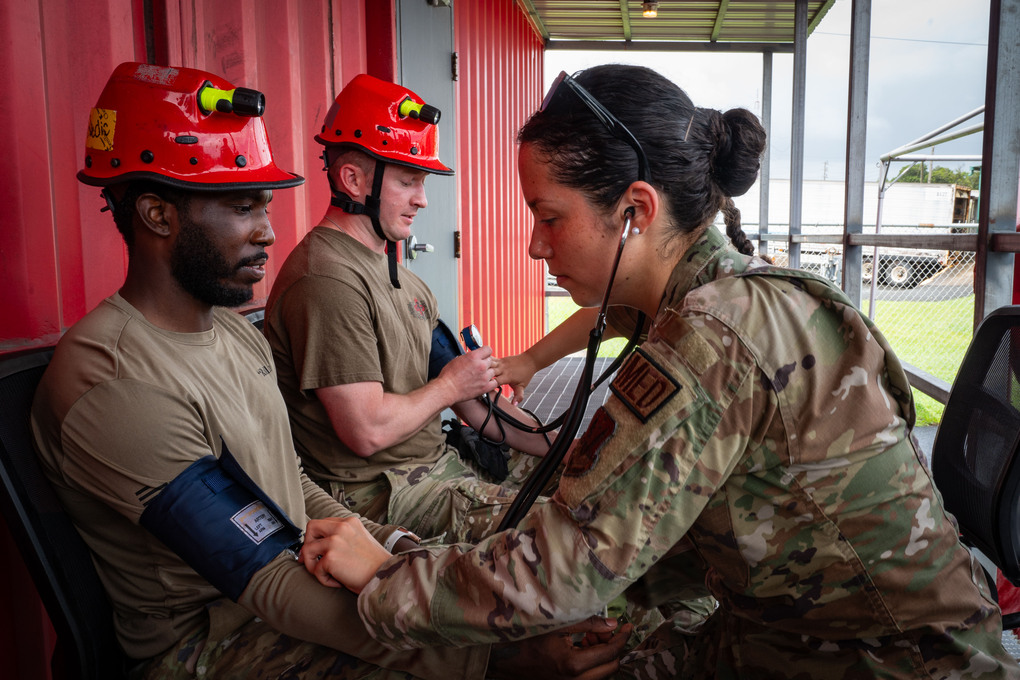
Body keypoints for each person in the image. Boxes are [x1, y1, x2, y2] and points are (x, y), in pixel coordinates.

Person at [300, 64, 1020, 678]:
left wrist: (384, 576)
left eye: (549, 218)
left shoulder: (709, 339)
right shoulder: (726, 299)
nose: (533, 247)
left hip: (875, 661)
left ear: (636, 211)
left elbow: (563, 572)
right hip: (796, 626)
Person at [30, 62, 630, 680]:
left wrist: (403, 553)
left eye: (264, 205)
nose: (268, 232)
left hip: (293, 575)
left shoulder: (235, 334)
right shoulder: (114, 380)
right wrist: (489, 656)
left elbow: (292, 488)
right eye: (243, 207)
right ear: (158, 215)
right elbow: (259, 570)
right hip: (215, 640)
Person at [264, 74, 553, 544]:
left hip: (437, 463)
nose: (422, 199)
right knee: (561, 534)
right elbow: (367, 431)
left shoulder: (404, 278)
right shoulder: (327, 280)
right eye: (407, 181)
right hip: (382, 490)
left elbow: (471, 402)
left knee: (589, 485)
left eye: (421, 182)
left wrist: (562, 448)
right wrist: (450, 384)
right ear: (353, 180)